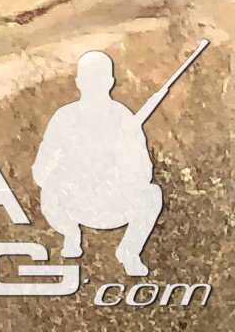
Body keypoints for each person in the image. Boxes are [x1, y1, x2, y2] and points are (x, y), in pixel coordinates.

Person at [32, 50, 167, 275]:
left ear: (110, 82)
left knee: (152, 194)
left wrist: (118, 164)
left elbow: (144, 172)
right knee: (50, 191)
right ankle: (71, 234)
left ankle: (129, 252)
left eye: (100, 79)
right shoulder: (64, 118)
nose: (94, 85)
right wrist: (63, 168)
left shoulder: (124, 118)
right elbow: (40, 173)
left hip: (113, 202)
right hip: (76, 203)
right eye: (89, 79)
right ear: (79, 82)